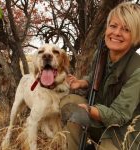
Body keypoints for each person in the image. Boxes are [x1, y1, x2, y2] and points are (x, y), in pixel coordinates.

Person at [60, 2, 140, 150]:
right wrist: (82, 83)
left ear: (135, 35)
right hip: (101, 114)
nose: (116, 33)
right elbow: (94, 76)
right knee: (70, 103)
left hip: (124, 129)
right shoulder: (101, 53)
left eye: (126, 29)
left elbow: (119, 116)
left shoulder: (138, 69)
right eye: (113, 26)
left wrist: (89, 110)